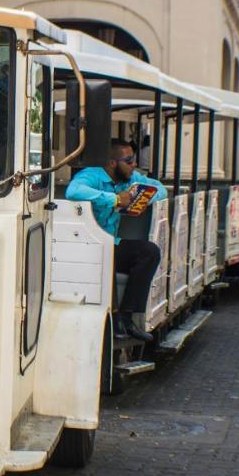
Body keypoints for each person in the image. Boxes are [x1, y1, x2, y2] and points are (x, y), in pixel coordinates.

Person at [65, 139, 168, 342]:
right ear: (112, 163)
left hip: (112, 242)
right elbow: (73, 191)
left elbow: (160, 190)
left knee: (149, 252)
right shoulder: (92, 175)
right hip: (87, 244)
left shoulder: (131, 179)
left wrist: (141, 198)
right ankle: (111, 322)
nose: (133, 165)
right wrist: (114, 199)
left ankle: (127, 317)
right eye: (129, 161)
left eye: (134, 160)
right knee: (106, 258)